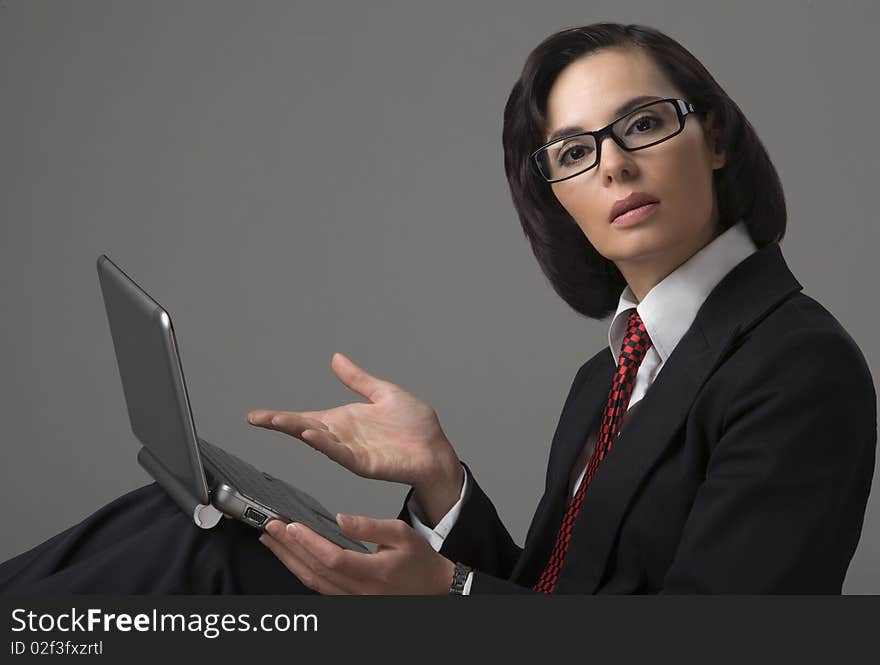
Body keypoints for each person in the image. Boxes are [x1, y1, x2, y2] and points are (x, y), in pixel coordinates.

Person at [1, 22, 875, 595]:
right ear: (554, 194)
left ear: (713, 137)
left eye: (642, 125)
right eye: (574, 150)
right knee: (176, 516)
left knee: (207, 557)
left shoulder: (797, 363)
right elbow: (546, 599)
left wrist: (448, 593)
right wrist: (440, 478)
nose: (612, 165)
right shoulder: (610, 373)